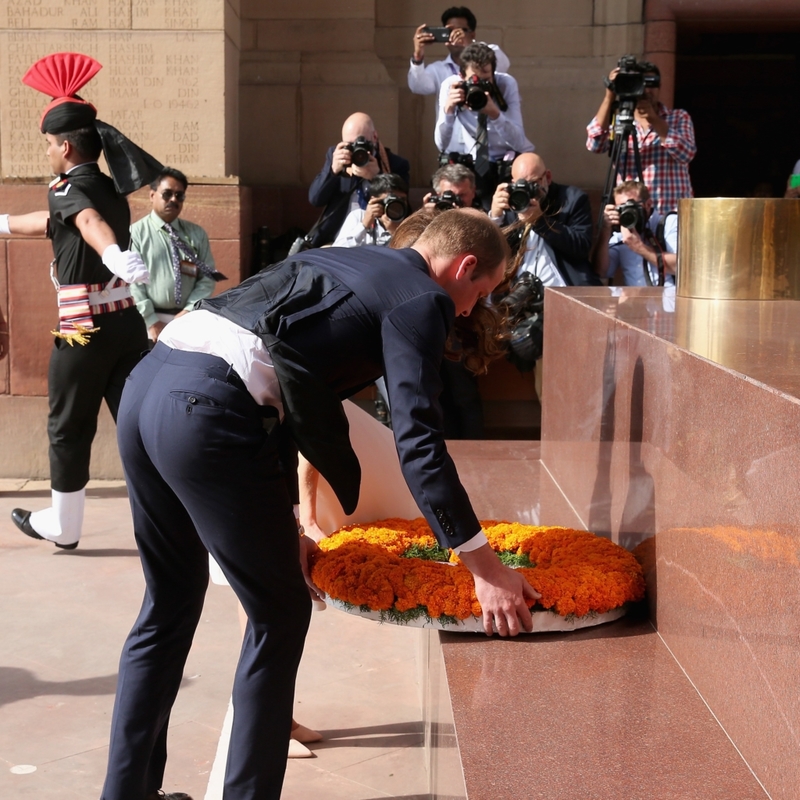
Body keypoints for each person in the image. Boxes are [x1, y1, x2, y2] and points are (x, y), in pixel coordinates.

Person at [102, 209, 539, 800]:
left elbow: (281, 404)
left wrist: (286, 527)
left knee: (168, 603)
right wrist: (484, 568)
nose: (468, 311)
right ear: (463, 267)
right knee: (278, 615)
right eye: (479, 293)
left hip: (147, 385)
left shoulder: (338, 257)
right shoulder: (423, 300)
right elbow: (419, 444)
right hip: (206, 411)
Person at [6, 52, 157, 552]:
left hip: (84, 328)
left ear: (65, 146)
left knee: (68, 427)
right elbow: (55, 224)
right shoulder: (107, 188)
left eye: (49, 145)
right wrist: (2, 223)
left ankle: (64, 525)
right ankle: (174, 517)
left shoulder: (67, 188)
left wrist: (114, 254)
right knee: (139, 423)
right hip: (126, 326)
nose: (47, 152)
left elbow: (89, 226)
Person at [586, 59, 696, 216]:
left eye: (650, 84)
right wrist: (610, 95)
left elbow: (686, 154)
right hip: (631, 212)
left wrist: (655, 120)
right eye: (640, 84)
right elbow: (595, 145)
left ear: (659, 87)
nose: (645, 91)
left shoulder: (678, 117)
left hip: (671, 212)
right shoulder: (618, 120)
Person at [130, 167, 225, 343]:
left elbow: (207, 278)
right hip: (147, 323)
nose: (173, 199)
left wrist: (189, 311)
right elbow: (132, 282)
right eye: (167, 194)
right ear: (152, 195)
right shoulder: (135, 233)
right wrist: (151, 321)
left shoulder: (197, 234)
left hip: (188, 321)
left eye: (179, 195)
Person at [435, 43, 534, 206]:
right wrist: (449, 110)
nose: (480, 87)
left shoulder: (506, 84)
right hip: (471, 164)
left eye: (486, 80)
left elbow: (518, 142)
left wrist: (495, 114)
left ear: (494, 74)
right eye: (474, 82)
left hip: (503, 162)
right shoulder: (450, 86)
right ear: (461, 77)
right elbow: (441, 144)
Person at [306, 112, 410, 247]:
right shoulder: (336, 156)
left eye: (361, 143)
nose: (356, 150)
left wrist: (377, 178)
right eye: (350, 145)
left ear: (374, 137)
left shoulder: (395, 164)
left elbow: (404, 209)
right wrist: (333, 171)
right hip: (337, 237)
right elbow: (315, 199)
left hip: (377, 239)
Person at [408, 6, 510, 96]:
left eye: (461, 31)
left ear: (472, 34)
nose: (456, 35)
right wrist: (418, 56)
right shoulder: (438, 69)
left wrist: (468, 46)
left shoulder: (491, 51)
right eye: (450, 31)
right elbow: (418, 87)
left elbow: (503, 63)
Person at [594, 180, 677, 286]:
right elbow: (601, 272)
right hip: (635, 301)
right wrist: (605, 230)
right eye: (622, 208)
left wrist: (639, 247)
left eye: (631, 206)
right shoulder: (621, 233)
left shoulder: (669, 223)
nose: (627, 212)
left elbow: (680, 267)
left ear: (648, 204)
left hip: (669, 299)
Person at [332, 173, 409, 247]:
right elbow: (337, 250)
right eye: (391, 200)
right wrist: (364, 225)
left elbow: (411, 256)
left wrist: (396, 233)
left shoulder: (410, 222)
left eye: (402, 200)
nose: (396, 205)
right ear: (374, 200)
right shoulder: (358, 216)